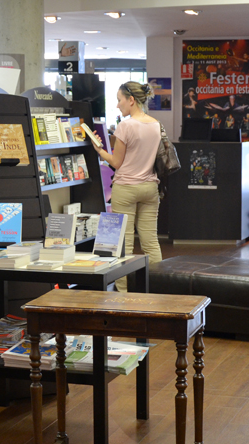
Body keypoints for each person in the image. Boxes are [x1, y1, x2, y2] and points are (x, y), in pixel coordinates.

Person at [91, 81, 163, 292]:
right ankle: (157, 289)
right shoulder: (155, 124)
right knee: (151, 242)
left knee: (124, 245)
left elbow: (116, 163)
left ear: (131, 100)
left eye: (119, 100)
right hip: (150, 188)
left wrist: (99, 150)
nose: (117, 105)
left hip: (126, 189)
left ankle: (123, 294)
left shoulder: (126, 125)